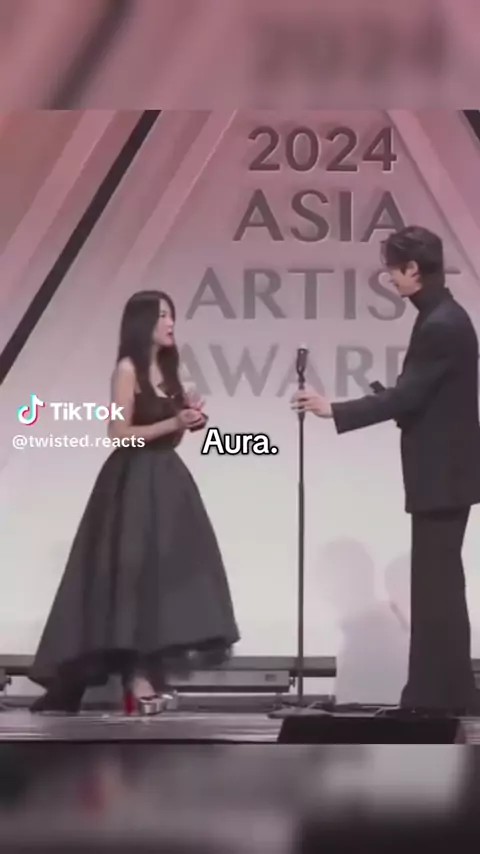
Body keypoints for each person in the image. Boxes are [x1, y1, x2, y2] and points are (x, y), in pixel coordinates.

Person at [292, 226, 480, 716]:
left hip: (442, 475)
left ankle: (428, 698)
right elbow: (422, 398)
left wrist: (334, 409)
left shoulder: (441, 324)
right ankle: (451, 693)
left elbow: (410, 396)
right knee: (441, 587)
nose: (390, 279)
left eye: (394, 270)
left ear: (413, 269)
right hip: (445, 473)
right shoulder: (442, 317)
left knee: (435, 589)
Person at [30, 290, 240, 714]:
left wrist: (191, 421)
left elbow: (172, 433)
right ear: (143, 322)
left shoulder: (173, 370)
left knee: (166, 578)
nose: (170, 323)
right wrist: (173, 420)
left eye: (172, 314)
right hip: (132, 482)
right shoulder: (127, 370)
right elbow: (118, 433)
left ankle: (145, 676)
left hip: (167, 481)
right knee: (132, 579)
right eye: (162, 315)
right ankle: (135, 679)